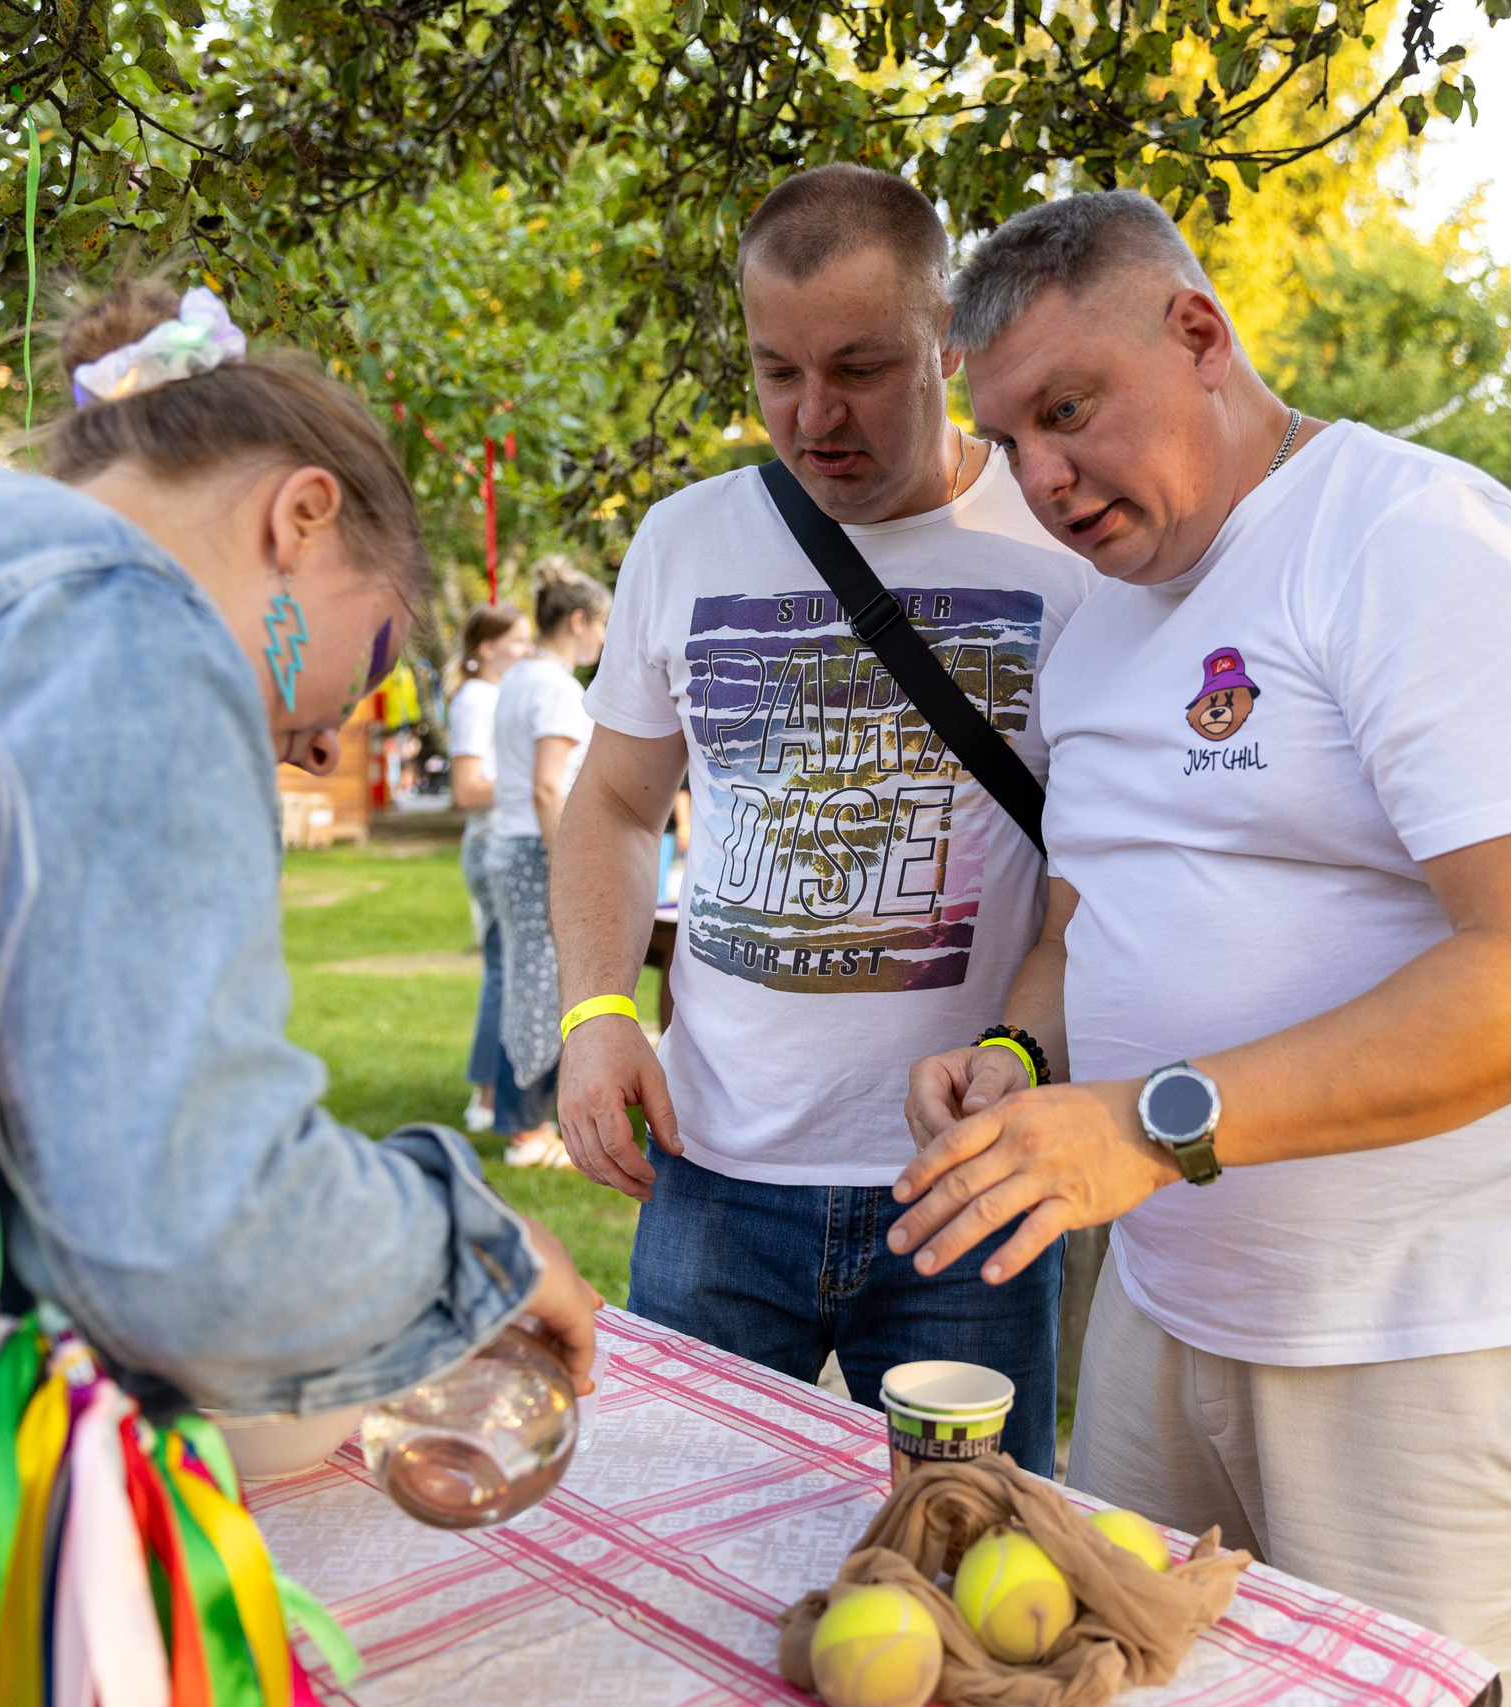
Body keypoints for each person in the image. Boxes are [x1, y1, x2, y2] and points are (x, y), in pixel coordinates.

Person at [895, 190, 1511, 1707]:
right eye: (1008, 438)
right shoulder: (1100, 626)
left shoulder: (1419, 544)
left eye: (1068, 410)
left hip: (1417, 1334)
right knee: (1137, 1675)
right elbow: (1089, 921)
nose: (1041, 476)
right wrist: (1019, 1054)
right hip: (1163, 1311)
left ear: (1201, 333)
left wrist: (1148, 1126)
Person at [0, 278, 600, 1417]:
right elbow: (186, 1227)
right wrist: (474, 1253)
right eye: (367, 658)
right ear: (301, 517)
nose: (328, 744)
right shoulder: (126, 621)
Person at [549, 164, 1094, 1472]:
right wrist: (595, 1010)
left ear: (947, 337)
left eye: (860, 367)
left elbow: (1097, 885)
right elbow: (613, 800)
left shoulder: (1067, 547)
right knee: (678, 1529)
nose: (814, 415)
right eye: (775, 370)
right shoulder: (684, 540)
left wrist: (1021, 1052)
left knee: (975, 1545)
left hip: (966, 1177)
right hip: (715, 1174)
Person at [486, 562, 611, 1168]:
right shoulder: (556, 687)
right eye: (604, 626)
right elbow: (547, 787)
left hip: (508, 844)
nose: (606, 640)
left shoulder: (519, 676)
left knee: (523, 981)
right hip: (536, 849)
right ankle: (527, 1131)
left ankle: (514, 1117)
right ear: (579, 621)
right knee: (541, 986)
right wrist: (569, 865)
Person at [450, 603, 534, 1133]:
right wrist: (541, 783)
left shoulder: (495, 696)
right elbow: (466, 789)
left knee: (507, 970)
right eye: (518, 641)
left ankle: (489, 1093)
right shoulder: (477, 700)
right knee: (506, 972)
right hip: (491, 844)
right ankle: (486, 1099)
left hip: (500, 839)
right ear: (487, 648)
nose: (527, 651)